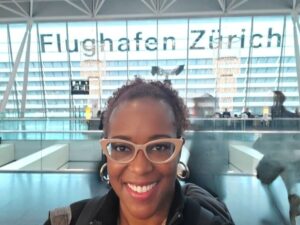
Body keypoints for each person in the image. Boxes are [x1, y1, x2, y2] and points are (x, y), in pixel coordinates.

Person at [44, 78, 234, 225]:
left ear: (178, 152)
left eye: (159, 147)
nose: (140, 168)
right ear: (106, 153)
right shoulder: (67, 221)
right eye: (122, 147)